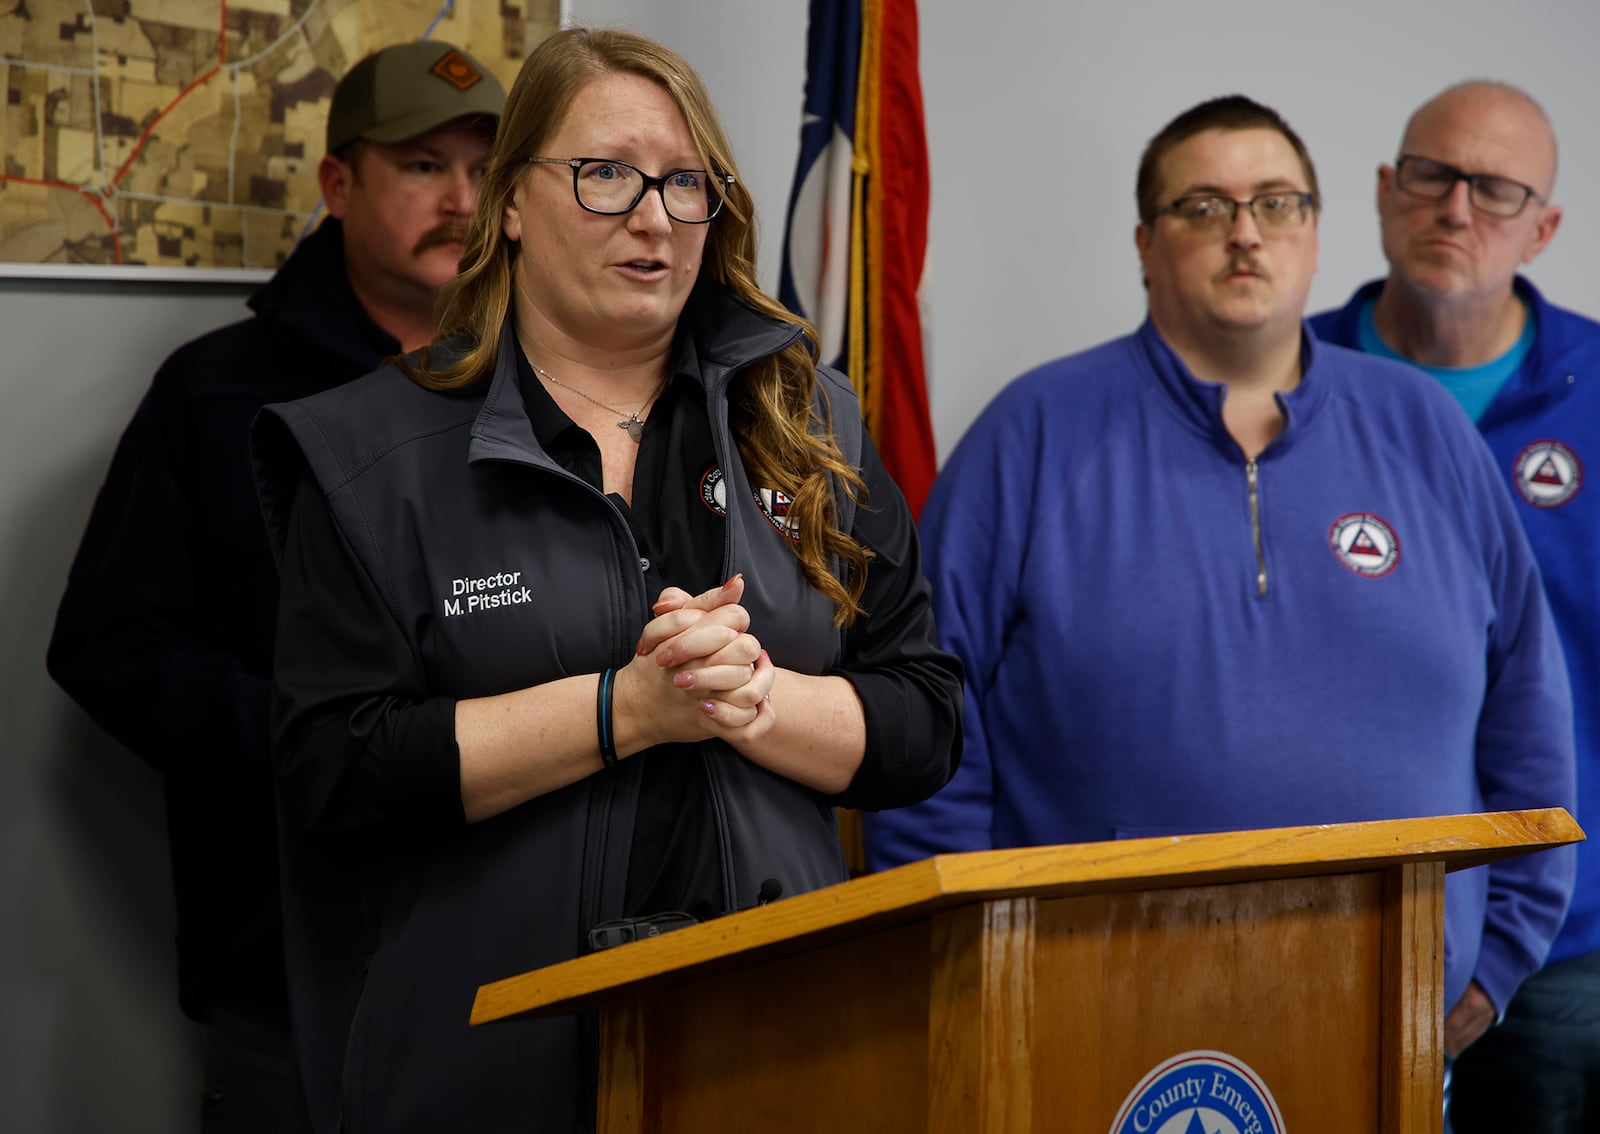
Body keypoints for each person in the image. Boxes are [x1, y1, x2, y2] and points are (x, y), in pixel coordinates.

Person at [249, 27, 961, 1133]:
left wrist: (751, 699)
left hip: (782, 1046)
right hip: (485, 1064)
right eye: (605, 175)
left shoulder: (808, 425)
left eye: (686, 183)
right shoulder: (366, 452)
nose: (654, 216)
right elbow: (334, 772)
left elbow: (923, 718)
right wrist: (622, 711)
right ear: (513, 204)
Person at [863, 94, 1576, 1083]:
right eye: (1202, 207)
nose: (1244, 232)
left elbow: (1528, 722)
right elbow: (925, 736)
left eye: (1276, 204)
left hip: (1386, 1041)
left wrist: (1491, 969)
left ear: (1317, 237)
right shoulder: (1029, 436)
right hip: (1087, 1036)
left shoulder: (1426, 433)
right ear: (1146, 246)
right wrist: (956, 960)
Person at [46, 40, 502, 1134]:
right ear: (338, 184)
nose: (461, 200)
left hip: (514, 930)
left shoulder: (539, 380)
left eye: (486, 172)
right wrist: (310, 745)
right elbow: (109, 645)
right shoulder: (218, 393)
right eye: (424, 167)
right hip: (298, 951)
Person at [1310, 81, 1600, 1132]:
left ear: (1544, 225)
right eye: (1431, 175)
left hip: (1572, 943)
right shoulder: (1276, 379)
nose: (1456, 208)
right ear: (1386, 191)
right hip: (1329, 926)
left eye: (1495, 187)